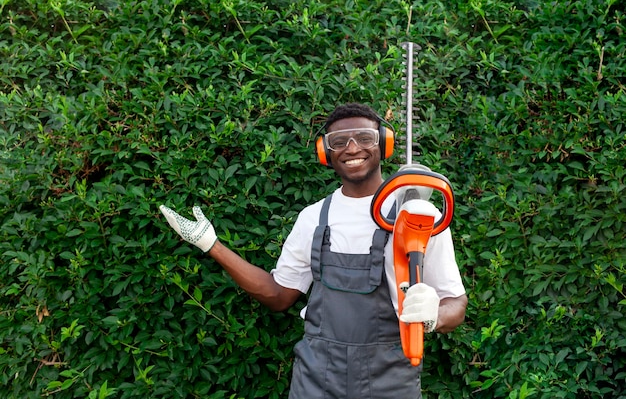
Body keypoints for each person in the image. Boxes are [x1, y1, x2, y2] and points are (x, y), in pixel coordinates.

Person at [160, 103, 468, 398]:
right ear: (325, 152)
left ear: (384, 145)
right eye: (338, 141)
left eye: (364, 137)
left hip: (391, 379)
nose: (352, 147)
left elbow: (455, 303)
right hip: (319, 378)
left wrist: (434, 316)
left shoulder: (416, 217)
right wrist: (211, 245)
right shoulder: (313, 218)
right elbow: (279, 295)